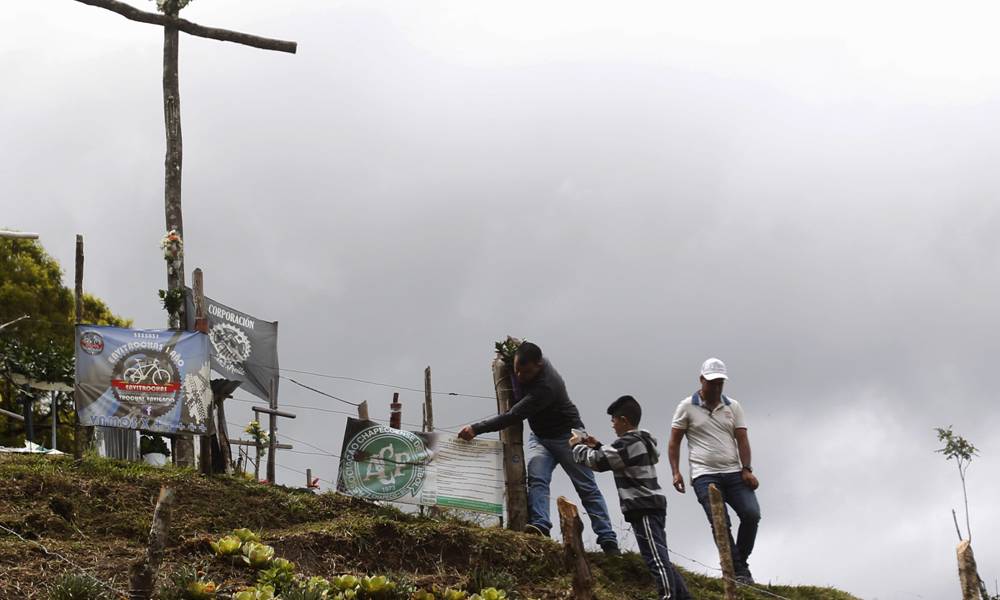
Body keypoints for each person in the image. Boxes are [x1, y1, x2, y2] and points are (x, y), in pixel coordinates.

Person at [458, 342, 620, 554]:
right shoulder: (524, 361)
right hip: (540, 437)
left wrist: (476, 428)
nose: (520, 375)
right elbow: (516, 351)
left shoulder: (546, 387)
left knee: (586, 487)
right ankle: (541, 526)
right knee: (537, 477)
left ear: (539, 365)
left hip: (568, 436)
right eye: (516, 369)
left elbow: (513, 415)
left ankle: (608, 540)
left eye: (525, 372)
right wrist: (503, 360)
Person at [572, 395, 691, 600]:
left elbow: (599, 463)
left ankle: (668, 595)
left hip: (643, 506)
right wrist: (599, 445)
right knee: (658, 553)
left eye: (614, 420)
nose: (612, 425)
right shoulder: (639, 441)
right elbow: (617, 458)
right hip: (651, 505)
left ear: (624, 420)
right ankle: (683, 596)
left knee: (655, 556)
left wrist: (577, 447)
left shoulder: (628, 443)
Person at [668, 357, 761, 584]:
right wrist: (676, 472)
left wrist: (747, 468)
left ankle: (739, 563)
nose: (716, 387)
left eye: (720, 382)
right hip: (704, 474)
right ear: (702, 380)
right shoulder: (686, 406)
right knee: (721, 521)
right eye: (712, 382)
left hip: (734, 472)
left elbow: (742, 439)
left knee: (751, 514)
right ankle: (738, 572)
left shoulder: (733, 407)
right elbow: (674, 442)